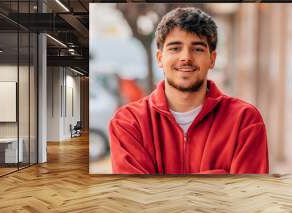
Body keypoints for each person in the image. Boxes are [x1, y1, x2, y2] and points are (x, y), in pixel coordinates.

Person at [109, 7, 268, 174]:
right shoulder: (128, 123)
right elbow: (133, 196)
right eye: (175, 48)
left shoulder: (245, 120)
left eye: (197, 49)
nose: (186, 57)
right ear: (160, 58)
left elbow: (248, 195)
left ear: (212, 59)